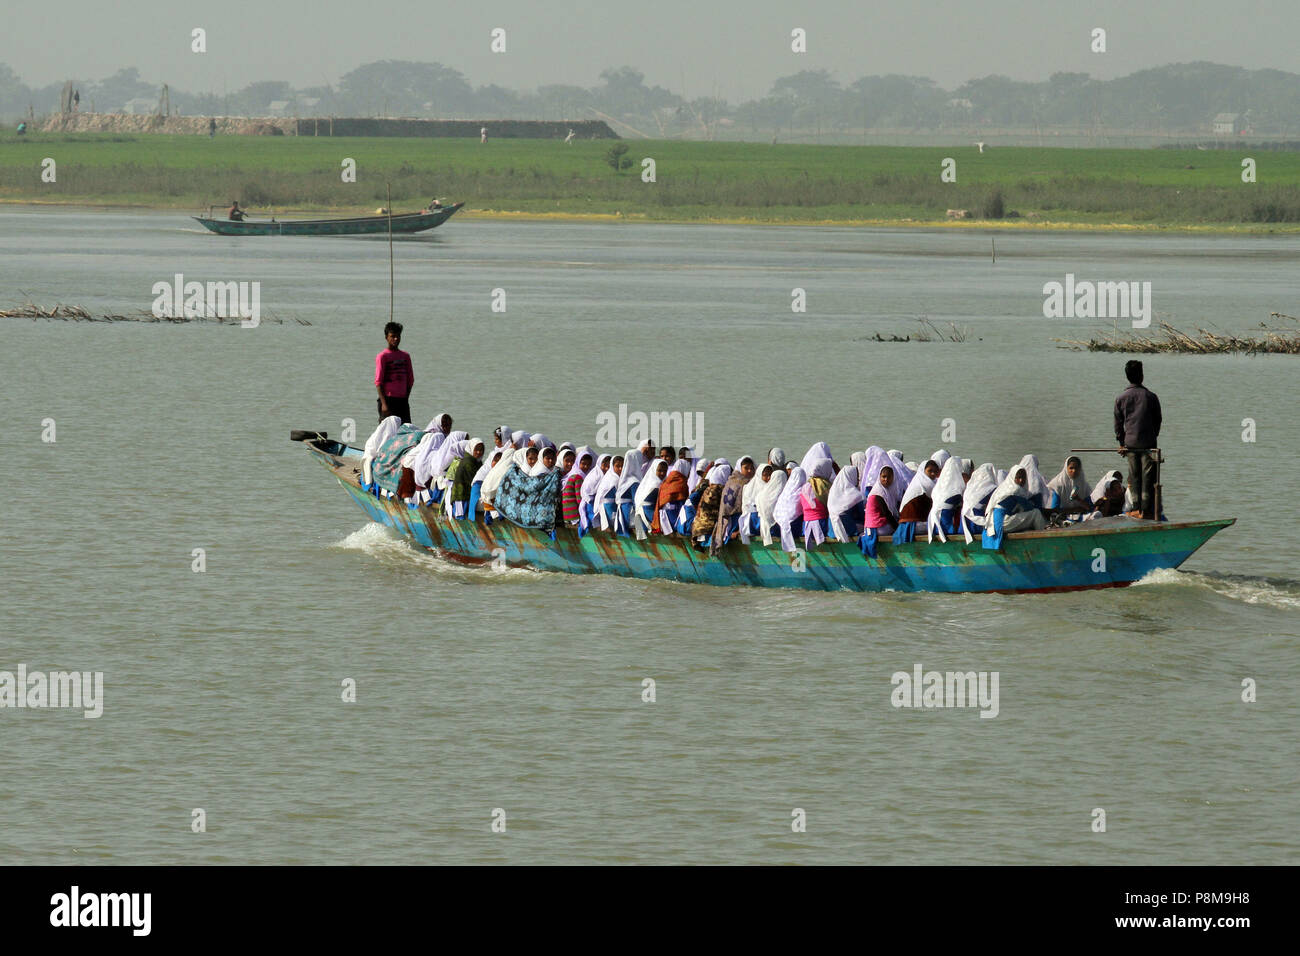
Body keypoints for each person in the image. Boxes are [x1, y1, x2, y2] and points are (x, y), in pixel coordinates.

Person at [1114, 360, 1162, 519]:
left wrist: (1121, 443)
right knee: (1148, 477)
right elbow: (1158, 420)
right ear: (1141, 376)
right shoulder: (1151, 397)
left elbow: (1118, 424)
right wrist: (1153, 435)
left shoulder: (1121, 398)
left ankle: (1136, 509)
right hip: (1148, 443)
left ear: (1127, 377)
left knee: (1134, 476)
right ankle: (1146, 510)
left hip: (1131, 444)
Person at [373, 321, 414, 423]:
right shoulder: (383, 356)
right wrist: (384, 404)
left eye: (398, 336)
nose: (396, 339)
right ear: (387, 337)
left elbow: (410, 380)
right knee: (388, 432)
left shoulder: (405, 356)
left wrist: (405, 398)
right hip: (388, 400)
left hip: (402, 401)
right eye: (392, 336)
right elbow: (378, 383)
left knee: (406, 431)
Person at [988, 468, 1047, 532]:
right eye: (1018, 478)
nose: (1021, 480)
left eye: (1023, 478)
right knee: (1036, 513)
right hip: (1002, 522)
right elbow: (1028, 507)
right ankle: (1043, 536)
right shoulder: (1016, 489)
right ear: (1013, 478)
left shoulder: (1004, 487)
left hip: (993, 522)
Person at [826, 465, 865, 541]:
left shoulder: (833, 491)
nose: (857, 479)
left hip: (832, 529)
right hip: (847, 529)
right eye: (857, 477)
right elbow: (863, 516)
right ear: (852, 477)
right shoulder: (856, 494)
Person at [864, 465, 902, 536]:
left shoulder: (887, 491)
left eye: (889, 477)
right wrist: (898, 528)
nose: (886, 479)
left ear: (893, 478)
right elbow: (887, 513)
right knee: (902, 527)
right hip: (876, 528)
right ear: (879, 477)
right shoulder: (878, 493)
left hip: (877, 525)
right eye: (884, 477)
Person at [655, 460, 691, 534]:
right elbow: (682, 505)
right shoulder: (681, 483)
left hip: (662, 519)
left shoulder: (665, 481)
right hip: (673, 520)